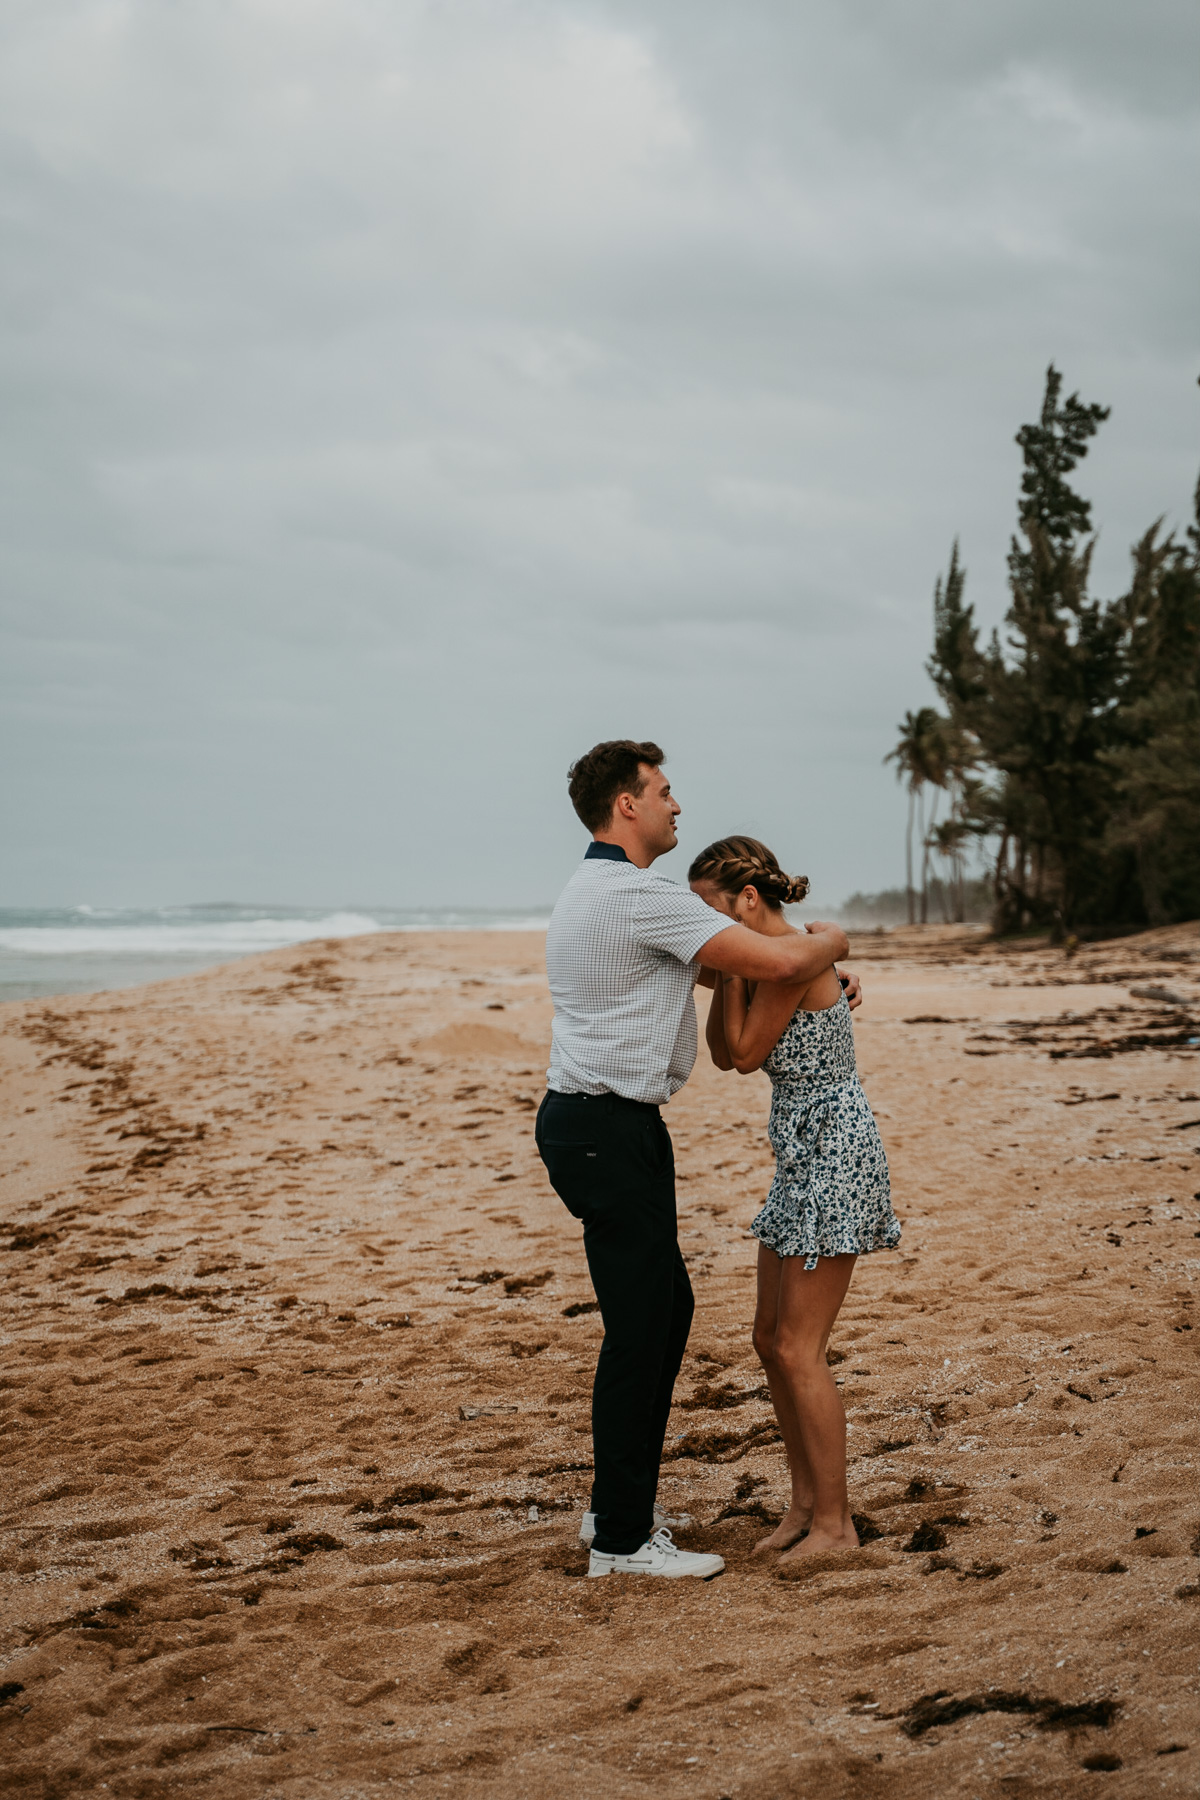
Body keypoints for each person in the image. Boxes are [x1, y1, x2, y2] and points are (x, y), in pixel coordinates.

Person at [535, 741, 857, 1581]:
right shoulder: (641, 895)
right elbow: (777, 963)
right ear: (627, 805)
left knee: (653, 1318)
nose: (679, 806)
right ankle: (622, 1539)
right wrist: (834, 943)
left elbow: (742, 979)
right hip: (607, 1128)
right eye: (666, 792)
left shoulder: (597, 889)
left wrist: (817, 982)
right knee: (648, 1326)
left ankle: (618, 1515)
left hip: (595, 1125)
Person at [688, 835, 900, 1564]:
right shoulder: (773, 959)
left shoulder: (792, 962)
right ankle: (806, 1506)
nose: (702, 925)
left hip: (834, 1152)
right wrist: (728, 963)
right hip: (801, 1154)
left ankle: (837, 1528)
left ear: (748, 900)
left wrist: (734, 967)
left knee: (798, 1347)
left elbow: (745, 1055)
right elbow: (725, 1052)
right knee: (767, 1339)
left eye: (708, 909)